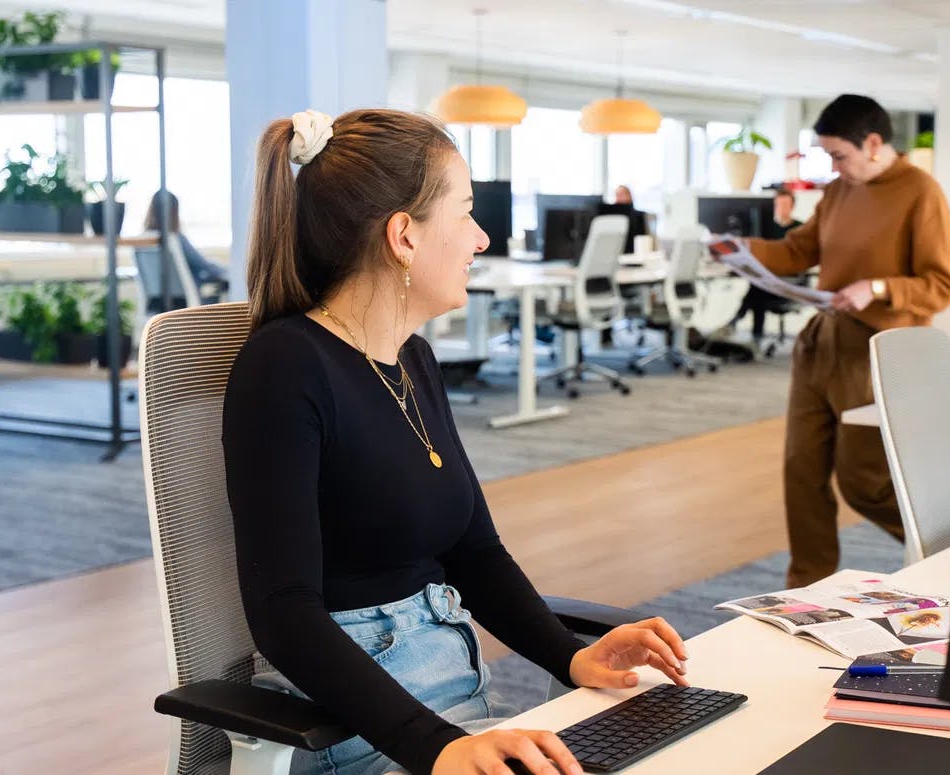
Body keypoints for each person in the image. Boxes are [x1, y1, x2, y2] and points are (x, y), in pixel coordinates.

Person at [223, 108, 690, 775]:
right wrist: (435, 745)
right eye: (465, 212)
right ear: (404, 236)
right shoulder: (285, 366)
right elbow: (283, 612)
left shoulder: (412, 359)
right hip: (355, 735)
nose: (481, 236)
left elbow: (475, 551)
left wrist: (569, 653)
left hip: (459, 703)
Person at [740, 94, 950, 589]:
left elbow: (941, 285)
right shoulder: (840, 190)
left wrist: (877, 287)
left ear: (874, 144)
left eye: (840, 155)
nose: (833, 167)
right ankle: (807, 588)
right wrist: (740, 251)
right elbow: (800, 250)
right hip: (821, 343)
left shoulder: (921, 193)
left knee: (865, 483)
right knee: (802, 472)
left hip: (878, 350)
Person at [728, 189, 807, 344]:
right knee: (759, 289)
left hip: (790, 281)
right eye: (778, 205)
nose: (781, 209)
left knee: (758, 290)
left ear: (792, 207)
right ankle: (753, 336)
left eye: (785, 205)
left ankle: (738, 322)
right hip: (769, 280)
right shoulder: (766, 229)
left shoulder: (801, 230)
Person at [144, 189, 230, 294]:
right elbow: (203, 265)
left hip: (159, 304)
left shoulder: (144, 241)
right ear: (174, 211)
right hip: (189, 304)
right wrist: (231, 272)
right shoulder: (176, 239)